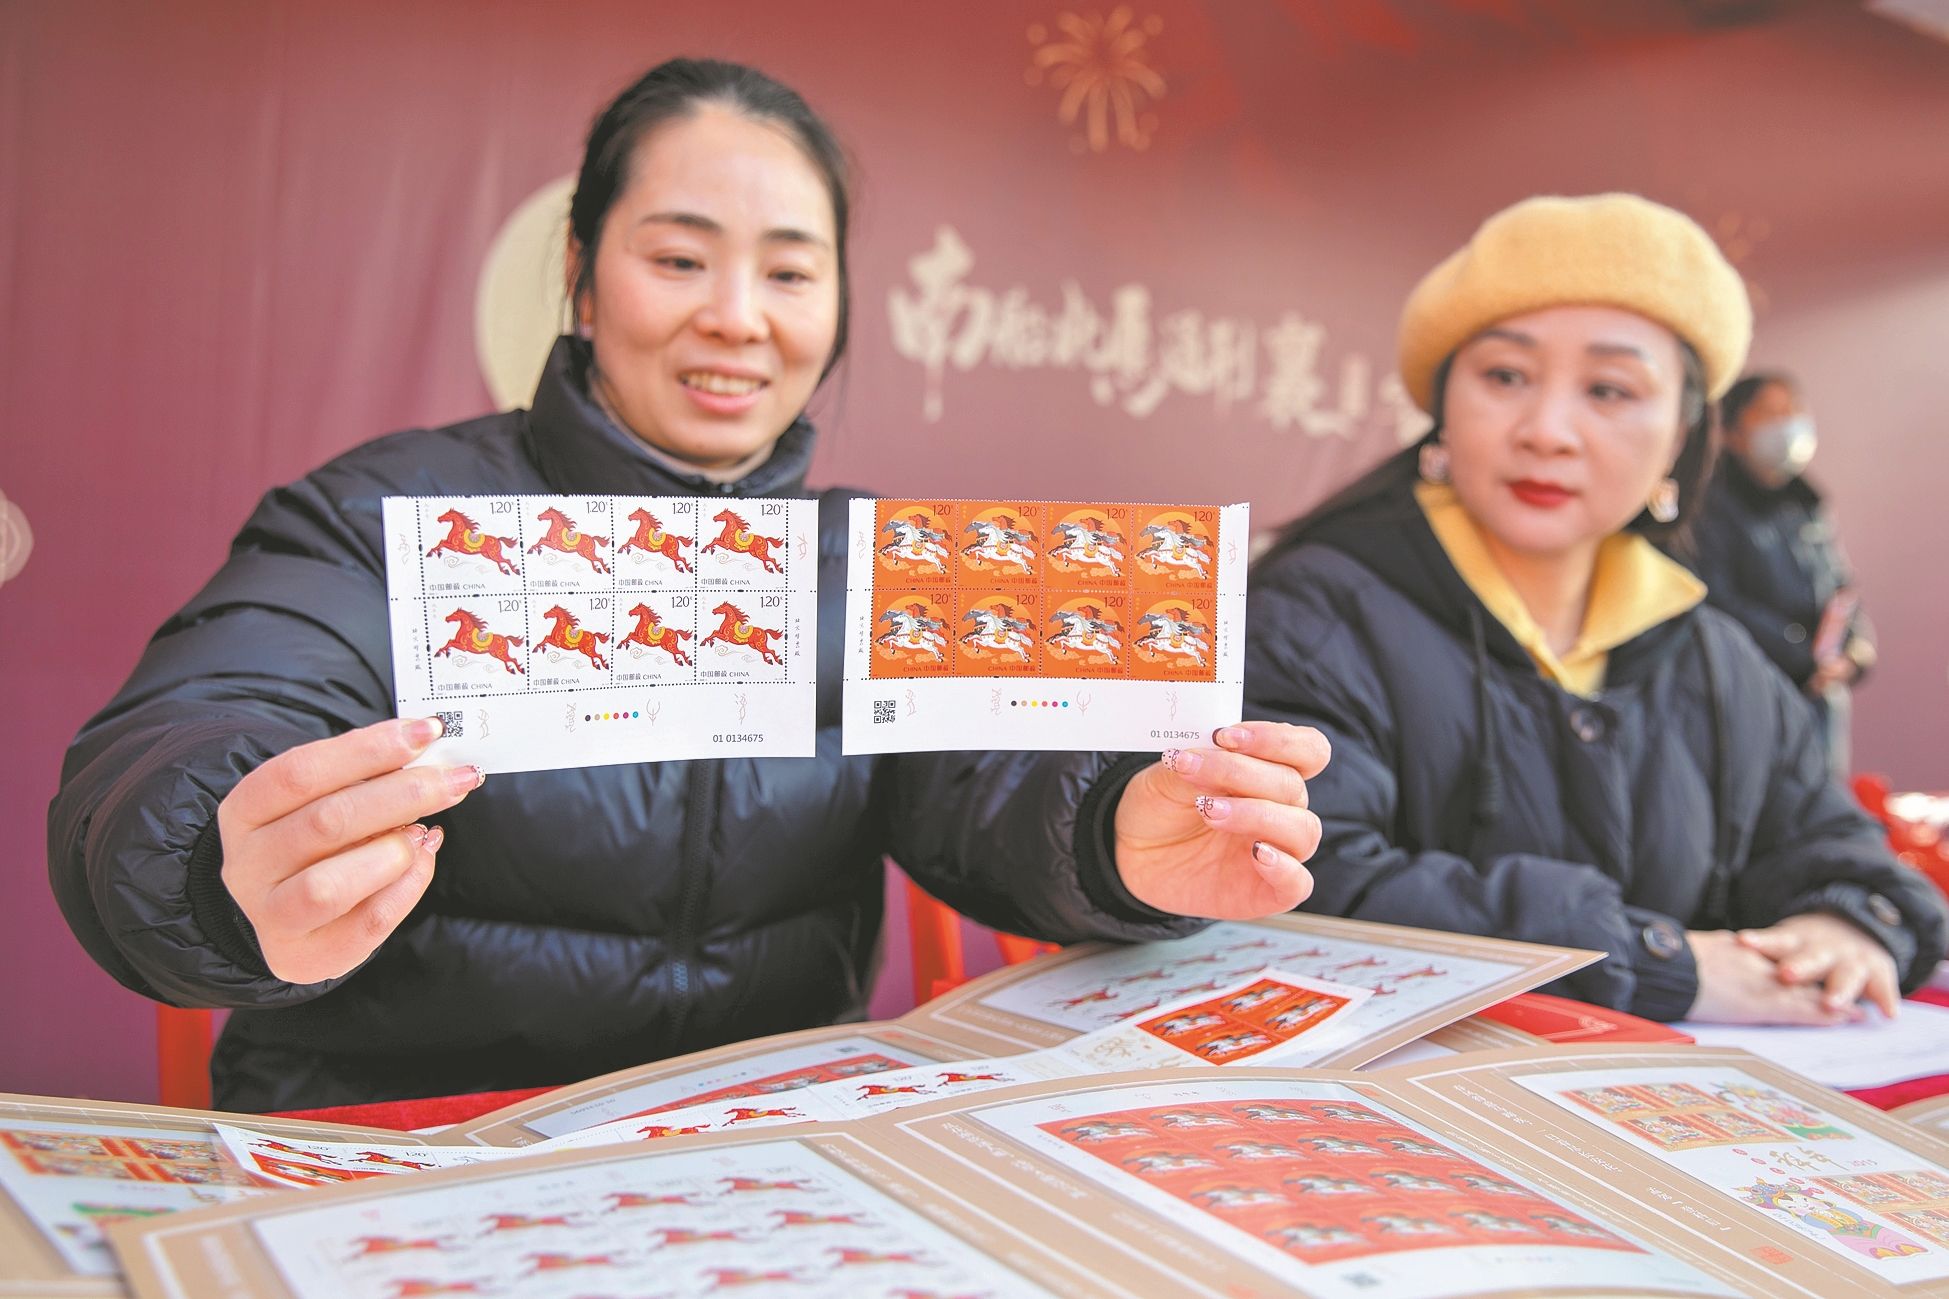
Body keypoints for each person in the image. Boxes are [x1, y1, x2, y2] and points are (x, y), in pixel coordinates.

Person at [47, 59, 1324, 1112]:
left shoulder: (865, 559)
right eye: (678, 260)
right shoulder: (384, 517)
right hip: (415, 1135)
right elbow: (204, 718)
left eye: (789, 272)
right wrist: (216, 856)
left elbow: (981, 781)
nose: (736, 317)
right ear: (581, 271)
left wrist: (1118, 830)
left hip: (754, 1150)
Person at [1245, 194, 1944, 1026]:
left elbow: (1827, 841)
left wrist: (1845, 921)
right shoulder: (1313, 615)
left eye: (1609, 389)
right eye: (1505, 376)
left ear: (1680, 436)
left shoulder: (1715, 657)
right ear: (1442, 405)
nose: (1546, 430)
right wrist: (1655, 962)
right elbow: (1307, 878)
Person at [1690, 372, 1875, 778]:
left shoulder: (1807, 504)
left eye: (1793, 410)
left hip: (1820, 698)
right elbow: (1718, 601)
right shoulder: (1710, 508)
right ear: (1732, 432)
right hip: (1753, 695)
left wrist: (1854, 651)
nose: (1786, 423)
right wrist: (1801, 656)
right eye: (1768, 412)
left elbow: (1840, 586)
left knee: (1823, 796)